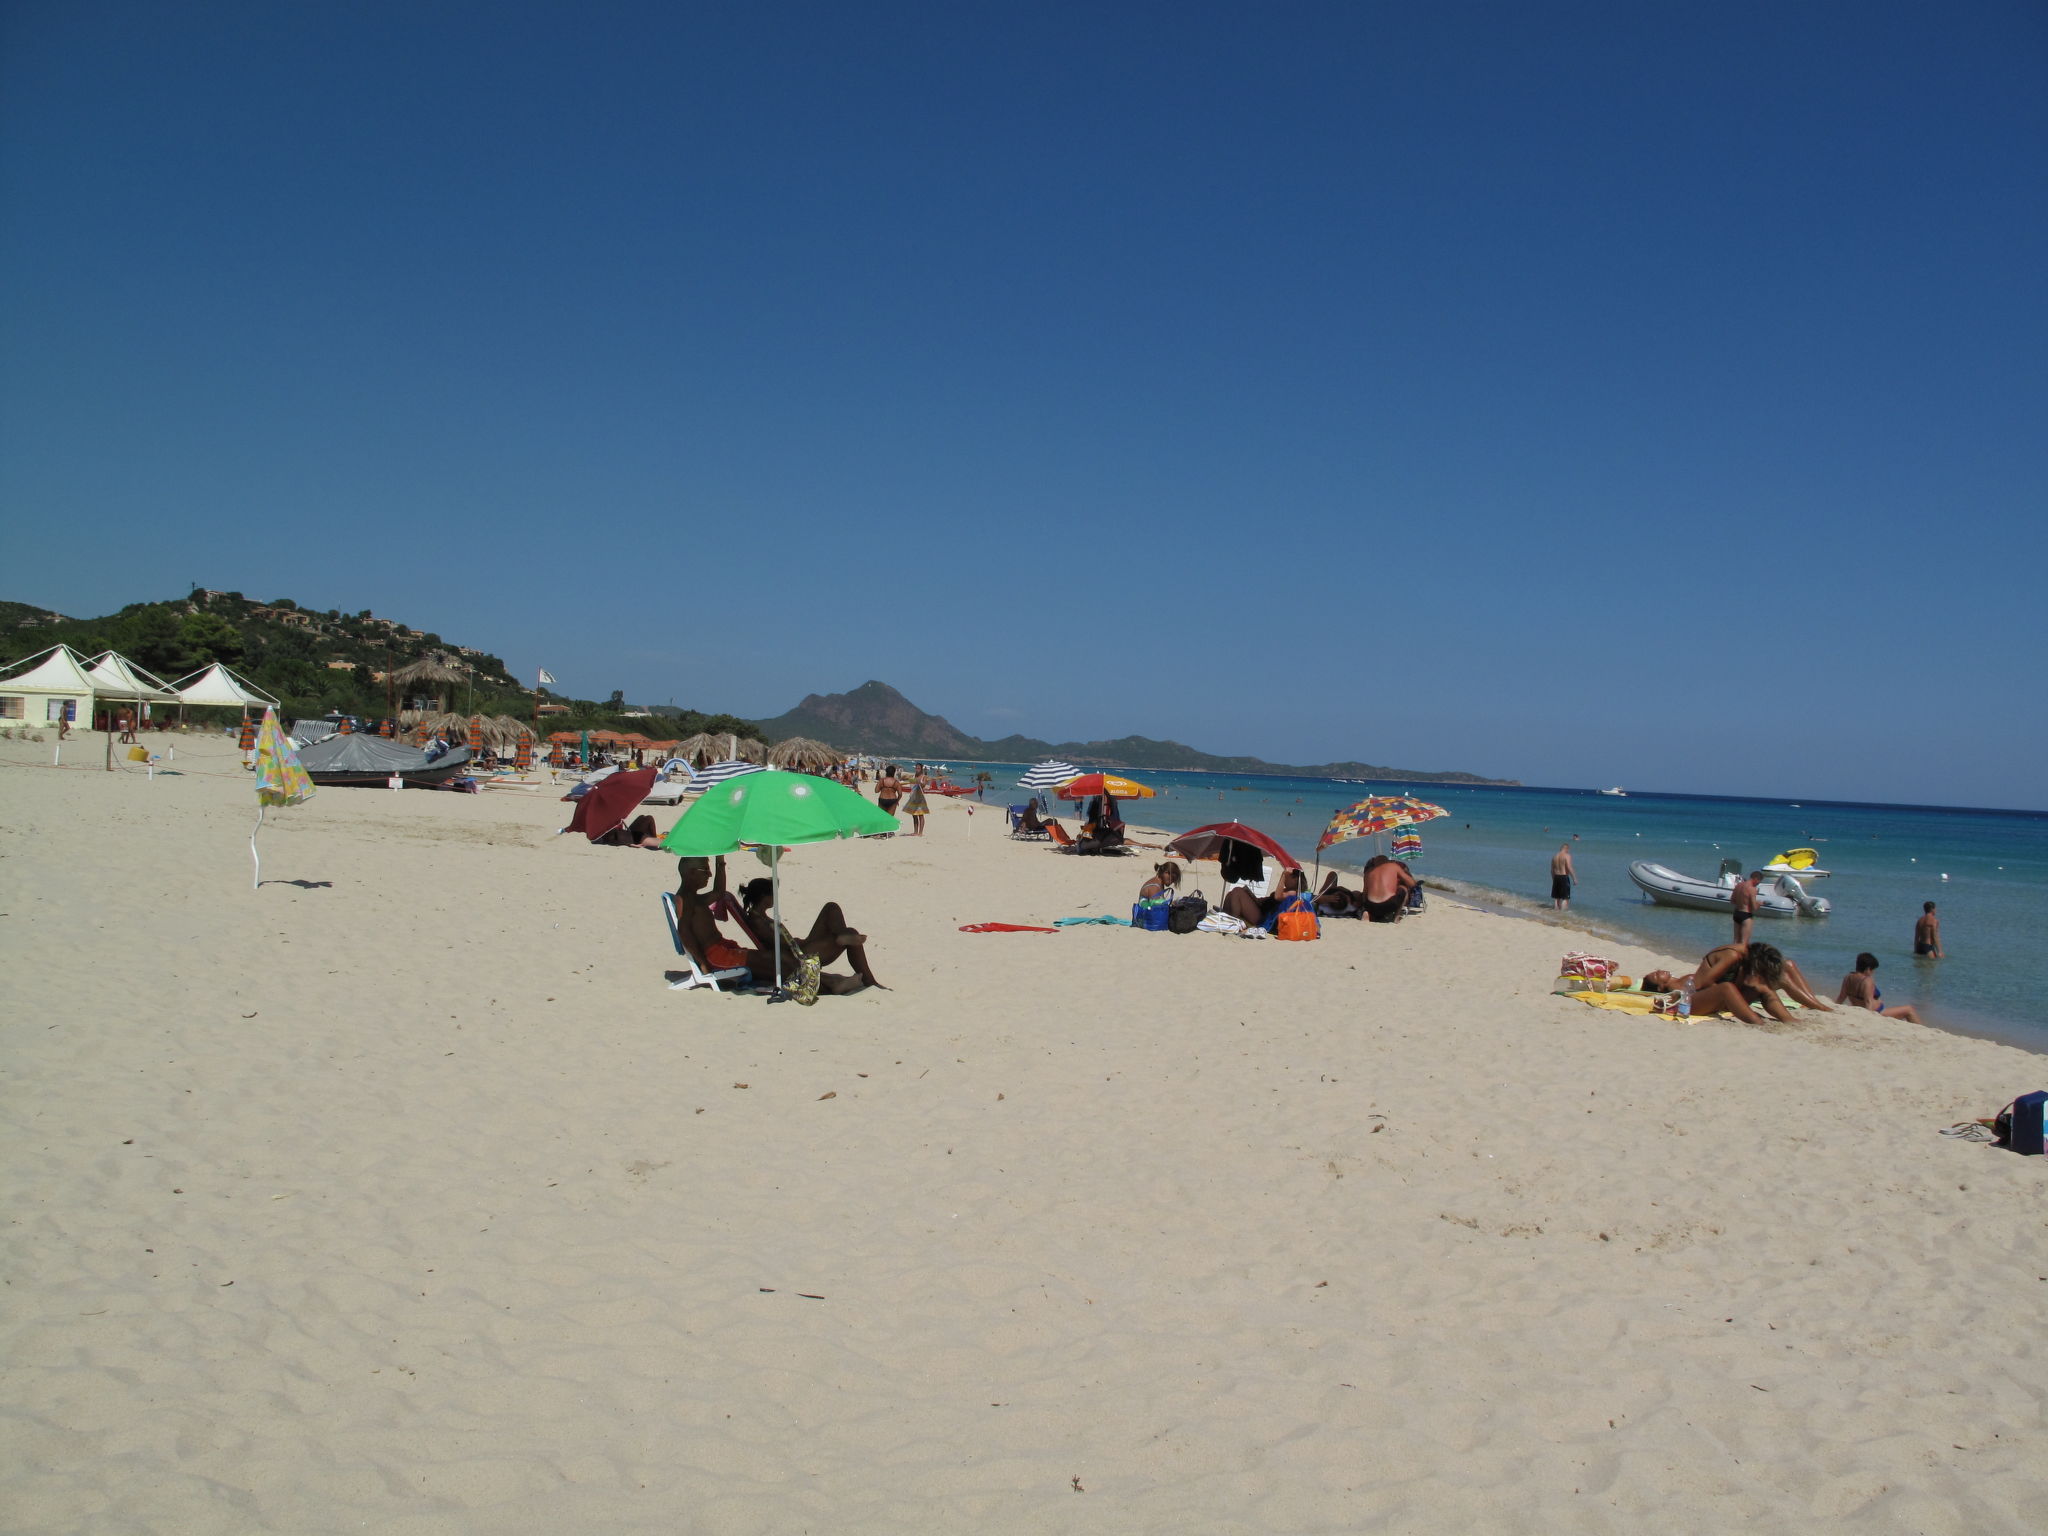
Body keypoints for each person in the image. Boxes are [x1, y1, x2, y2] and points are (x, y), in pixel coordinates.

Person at [738, 876, 883, 994]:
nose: (775, 897)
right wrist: (798, 943)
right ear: (764, 896)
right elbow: (778, 945)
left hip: (799, 947)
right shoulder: (756, 921)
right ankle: (869, 980)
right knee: (851, 933)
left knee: (831, 907)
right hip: (798, 955)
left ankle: (840, 935)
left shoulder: (761, 916)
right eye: (773, 894)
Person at [1837, 953, 1923, 1023]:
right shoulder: (1867, 980)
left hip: (1862, 1010)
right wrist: (1869, 1020)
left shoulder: (1848, 977)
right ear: (1867, 969)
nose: (1873, 972)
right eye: (1873, 970)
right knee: (1909, 1009)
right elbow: (1868, 1002)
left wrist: (1836, 1008)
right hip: (1878, 1012)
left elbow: (1841, 997)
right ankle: (1922, 1031)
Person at [1362, 855, 1417, 923]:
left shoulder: (1369, 872)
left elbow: (1364, 894)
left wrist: (1365, 907)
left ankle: (1367, 913)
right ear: (1387, 861)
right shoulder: (1393, 866)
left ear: (1375, 863)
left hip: (1371, 907)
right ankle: (1396, 917)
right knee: (1403, 889)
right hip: (1389, 905)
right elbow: (1412, 883)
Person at [1730, 870, 1764, 947]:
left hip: (1737, 913)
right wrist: (1759, 904)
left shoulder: (1738, 885)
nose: (1758, 883)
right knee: (1744, 942)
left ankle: (1732, 957)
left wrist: (1742, 902)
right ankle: (1741, 958)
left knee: (1735, 941)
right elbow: (1754, 907)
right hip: (1746, 915)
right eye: (1759, 881)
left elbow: (1732, 901)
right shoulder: (1752, 889)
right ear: (1756, 878)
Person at [1550, 843, 1575, 911]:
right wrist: (1574, 878)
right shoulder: (1567, 855)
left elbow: (1552, 870)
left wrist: (1553, 879)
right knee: (1565, 898)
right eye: (1568, 850)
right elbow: (1569, 867)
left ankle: (1556, 911)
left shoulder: (1554, 856)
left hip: (1556, 877)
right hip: (1564, 877)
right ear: (1566, 849)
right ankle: (1563, 914)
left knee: (1557, 897)